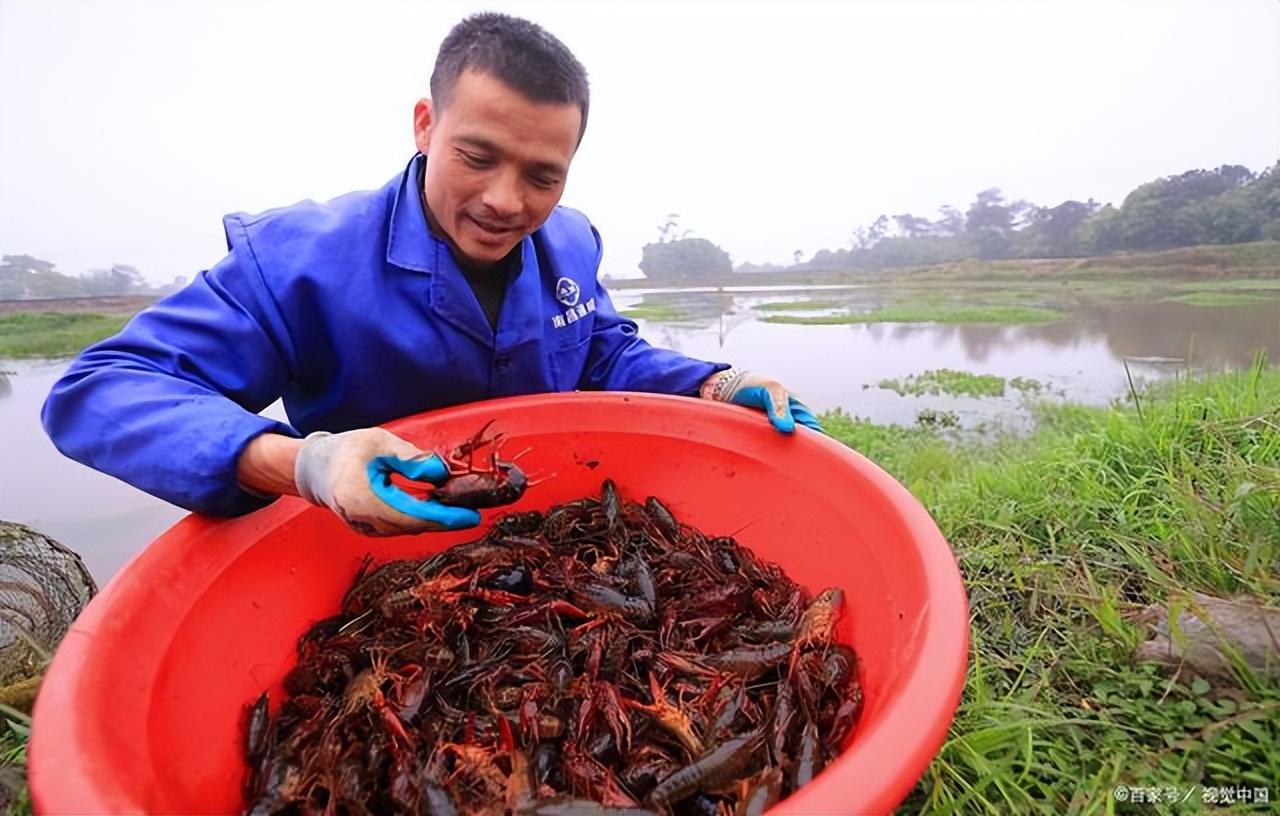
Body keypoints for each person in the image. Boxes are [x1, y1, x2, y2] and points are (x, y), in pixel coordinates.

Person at [42, 13, 821, 538]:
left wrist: (713, 384)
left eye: (543, 176)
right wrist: (305, 462)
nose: (506, 201)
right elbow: (101, 390)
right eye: (476, 157)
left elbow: (600, 356)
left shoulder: (573, 243)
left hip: (546, 534)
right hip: (371, 549)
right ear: (425, 124)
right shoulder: (298, 259)